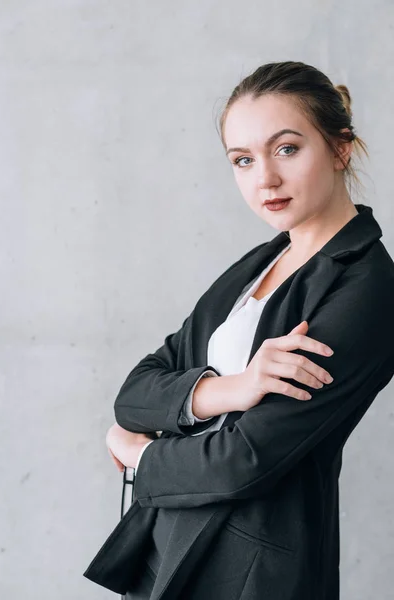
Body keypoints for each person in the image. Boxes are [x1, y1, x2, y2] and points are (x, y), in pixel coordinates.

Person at [86, 61, 394, 599]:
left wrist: (138, 455)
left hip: (248, 569)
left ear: (341, 148)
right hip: (166, 543)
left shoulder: (366, 286)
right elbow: (136, 394)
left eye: (287, 149)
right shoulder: (261, 261)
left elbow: (245, 462)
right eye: (243, 160)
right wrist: (233, 388)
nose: (264, 179)